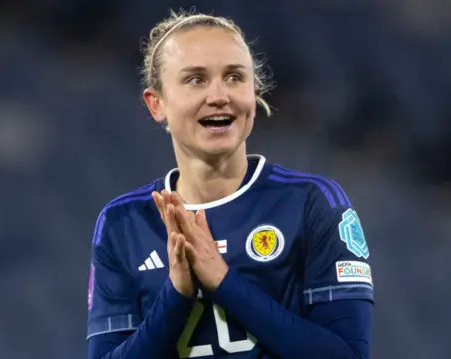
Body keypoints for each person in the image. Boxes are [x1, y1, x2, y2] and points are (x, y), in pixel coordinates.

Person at [86, 9, 374, 359]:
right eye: (196, 79)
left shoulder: (312, 203)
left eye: (235, 77)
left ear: (254, 92)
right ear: (156, 104)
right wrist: (177, 295)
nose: (219, 95)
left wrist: (224, 281)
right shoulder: (123, 224)